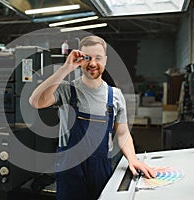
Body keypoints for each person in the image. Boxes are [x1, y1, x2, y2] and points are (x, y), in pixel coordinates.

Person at [29, 35, 156, 200]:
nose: (93, 63)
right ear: (79, 59)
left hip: (100, 167)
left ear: (106, 60)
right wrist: (65, 68)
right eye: (87, 58)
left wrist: (132, 158)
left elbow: (123, 133)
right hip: (70, 167)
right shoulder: (67, 90)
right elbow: (35, 101)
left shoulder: (115, 96)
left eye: (98, 58)